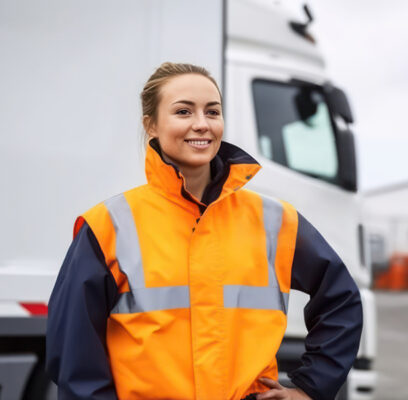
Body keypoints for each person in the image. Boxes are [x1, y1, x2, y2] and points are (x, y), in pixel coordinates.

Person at [46, 62, 363, 400]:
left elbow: (341, 299)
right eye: (183, 111)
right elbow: (74, 352)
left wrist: (311, 388)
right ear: (150, 125)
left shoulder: (274, 219)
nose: (201, 124)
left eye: (212, 112)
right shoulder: (109, 224)